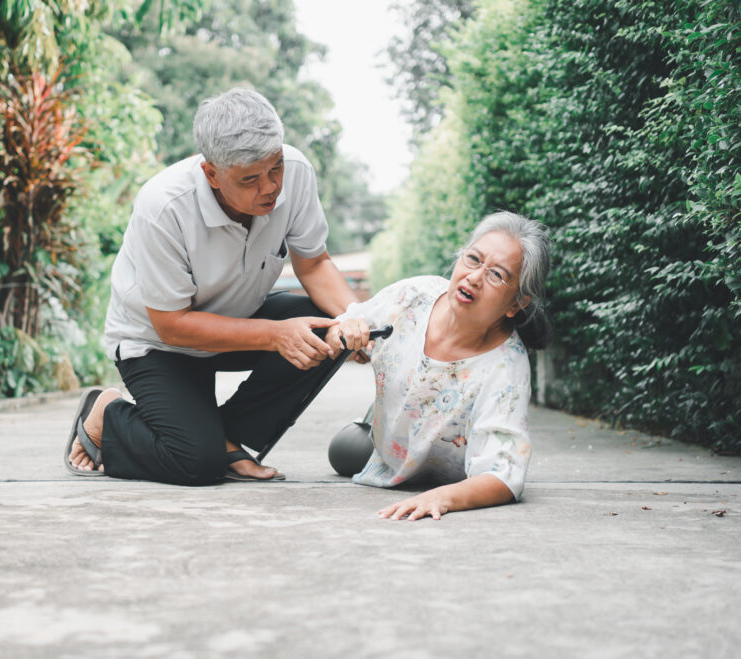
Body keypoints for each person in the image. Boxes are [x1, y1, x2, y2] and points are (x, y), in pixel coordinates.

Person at [64, 87, 361, 484]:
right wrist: (275, 335)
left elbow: (314, 264)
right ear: (211, 174)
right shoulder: (163, 206)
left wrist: (356, 318)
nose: (270, 187)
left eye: (275, 169)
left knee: (328, 325)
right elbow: (171, 324)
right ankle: (109, 414)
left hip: (238, 323)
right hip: (159, 343)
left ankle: (227, 436)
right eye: (250, 179)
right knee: (196, 464)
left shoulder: (298, 172)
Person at [326, 211, 552, 521]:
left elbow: (504, 475)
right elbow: (343, 324)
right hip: (384, 444)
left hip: (446, 475)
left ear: (517, 303)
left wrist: (444, 496)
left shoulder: (507, 368)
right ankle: (367, 423)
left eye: (496, 275)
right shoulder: (413, 296)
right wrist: (346, 334)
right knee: (342, 453)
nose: (474, 277)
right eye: (473, 259)